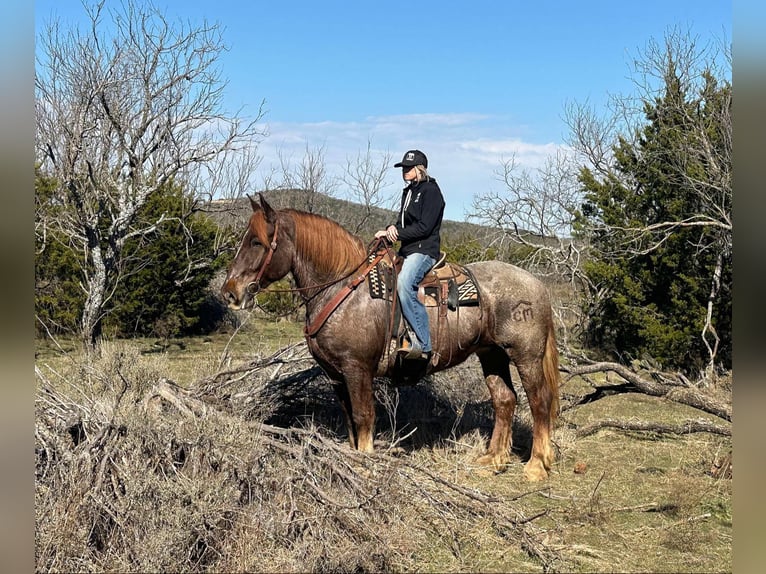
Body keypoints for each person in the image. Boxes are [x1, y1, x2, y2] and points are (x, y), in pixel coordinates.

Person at [375, 149, 445, 361]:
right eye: (403, 167)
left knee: (405, 283)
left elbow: (425, 227)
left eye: (408, 167)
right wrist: (389, 229)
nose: (404, 171)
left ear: (419, 169)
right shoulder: (409, 192)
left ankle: (424, 344)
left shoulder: (432, 192)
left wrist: (397, 234)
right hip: (407, 249)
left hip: (424, 250)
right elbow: (401, 223)